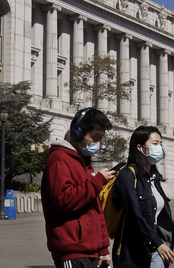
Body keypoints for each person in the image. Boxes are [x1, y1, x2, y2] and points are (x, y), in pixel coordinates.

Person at [41, 107, 116, 268]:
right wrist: (97, 182)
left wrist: (104, 247)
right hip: (71, 251)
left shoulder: (84, 162)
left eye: (100, 139)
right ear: (77, 133)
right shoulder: (59, 159)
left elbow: (96, 210)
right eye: (94, 137)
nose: (97, 143)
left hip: (92, 251)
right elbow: (64, 199)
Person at [112, 126, 174, 268]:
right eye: (155, 144)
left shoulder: (154, 178)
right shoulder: (127, 175)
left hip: (156, 251)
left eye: (160, 144)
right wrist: (157, 243)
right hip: (134, 252)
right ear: (140, 148)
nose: (160, 148)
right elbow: (135, 214)